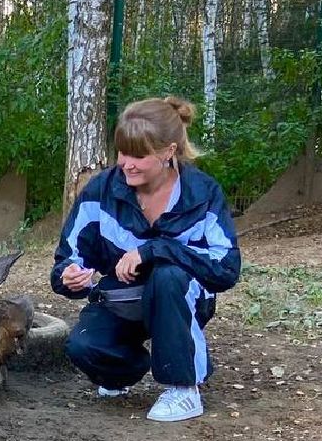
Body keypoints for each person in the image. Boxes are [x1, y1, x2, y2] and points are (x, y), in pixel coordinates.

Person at [50, 96, 240, 422]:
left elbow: (226, 268)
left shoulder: (203, 193)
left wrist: (154, 250)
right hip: (123, 298)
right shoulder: (101, 190)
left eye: (138, 156)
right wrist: (69, 275)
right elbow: (69, 257)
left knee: (167, 276)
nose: (127, 164)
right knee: (83, 346)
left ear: (168, 152)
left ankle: (184, 388)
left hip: (181, 297)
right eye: (122, 152)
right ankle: (128, 371)